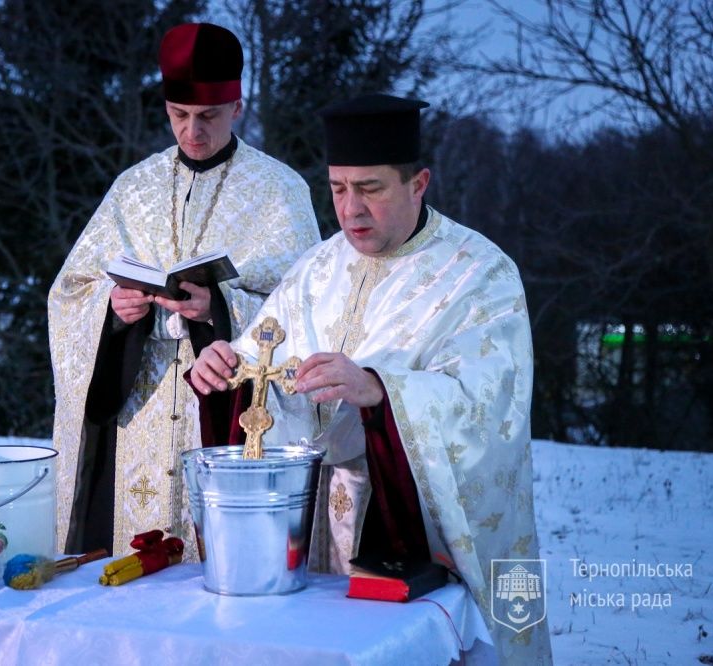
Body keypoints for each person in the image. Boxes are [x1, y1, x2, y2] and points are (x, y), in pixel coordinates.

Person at [189, 94, 552, 665]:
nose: (351, 209)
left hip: (410, 537)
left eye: (371, 188)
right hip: (312, 534)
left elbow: (491, 413)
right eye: (337, 188)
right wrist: (225, 366)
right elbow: (263, 359)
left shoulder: (480, 275)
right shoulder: (317, 267)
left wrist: (383, 392)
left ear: (418, 183)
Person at [47, 23, 320, 561]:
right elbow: (71, 291)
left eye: (208, 117)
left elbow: (308, 308)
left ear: (237, 106)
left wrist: (216, 308)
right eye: (179, 115)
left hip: (230, 420)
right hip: (139, 419)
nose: (192, 131)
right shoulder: (134, 187)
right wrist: (115, 311)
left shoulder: (280, 190)